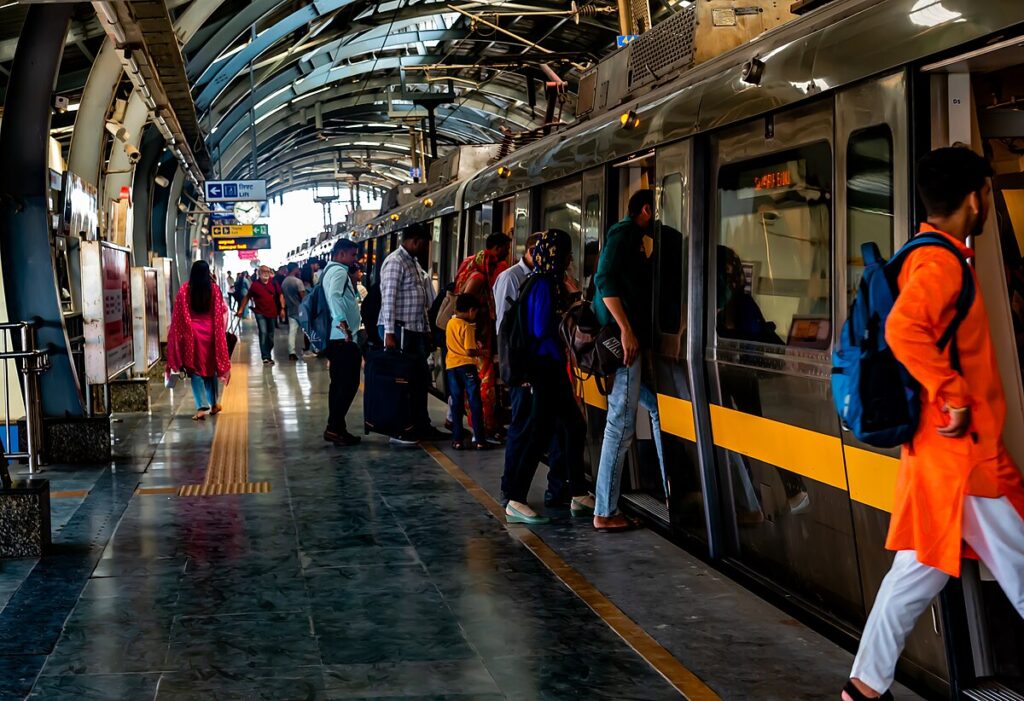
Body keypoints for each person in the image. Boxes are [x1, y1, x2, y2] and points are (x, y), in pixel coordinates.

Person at [842, 147, 1024, 701]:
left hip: (937, 461)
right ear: (976, 198)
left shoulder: (926, 254)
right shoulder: (941, 263)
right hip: (970, 462)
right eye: (989, 193)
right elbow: (904, 328)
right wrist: (954, 395)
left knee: (914, 573)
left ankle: (864, 688)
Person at [503, 229, 594, 524]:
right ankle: (516, 499)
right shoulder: (542, 284)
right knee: (539, 433)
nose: (570, 258)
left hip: (550, 367)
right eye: (566, 252)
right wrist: (567, 327)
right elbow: (541, 329)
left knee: (574, 426)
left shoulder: (545, 281)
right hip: (544, 367)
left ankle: (578, 493)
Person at [591, 188, 667, 532]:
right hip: (624, 345)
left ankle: (669, 488)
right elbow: (604, 279)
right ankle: (605, 511)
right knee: (620, 424)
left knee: (654, 406)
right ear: (647, 210)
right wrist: (626, 329)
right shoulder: (623, 234)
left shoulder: (634, 239)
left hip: (629, 341)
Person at [495, 231, 567, 507]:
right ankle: (511, 491)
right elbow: (508, 330)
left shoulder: (550, 279)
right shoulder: (514, 278)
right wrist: (517, 370)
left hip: (542, 367)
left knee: (561, 427)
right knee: (526, 429)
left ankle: (560, 489)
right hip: (529, 370)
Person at [378, 224, 446, 443]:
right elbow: (388, 299)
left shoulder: (413, 263)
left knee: (419, 379)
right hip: (399, 330)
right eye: (425, 243)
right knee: (402, 381)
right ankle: (400, 429)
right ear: (415, 240)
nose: (426, 248)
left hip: (414, 330)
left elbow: (420, 301)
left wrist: (426, 329)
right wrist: (389, 333)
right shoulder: (395, 262)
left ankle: (421, 424)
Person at [454, 232, 513, 442]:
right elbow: (465, 299)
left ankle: (480, 425)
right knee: (481, 383)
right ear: (496, 248)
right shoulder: (479, 275)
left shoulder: (471, 262)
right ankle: (483, 429)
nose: (507, 253)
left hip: (476, 334)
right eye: (506, 248)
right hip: (477, 337)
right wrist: (477, 325)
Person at [167, 260, 231, 421]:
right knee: (210, 369)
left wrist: (181, 336)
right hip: (210, 334)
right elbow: (220, 312)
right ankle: (214, 404)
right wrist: (219, 334)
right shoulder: (214, 289)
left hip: (192, 335)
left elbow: (179, 315)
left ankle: (202, 406)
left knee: (195, 369)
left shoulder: (184, 290)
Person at [322, 239, 363, 447]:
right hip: (343, 339)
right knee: (348, 385)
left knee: (338, 385)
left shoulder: (329, 270)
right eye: (352, 255)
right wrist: (344, 325)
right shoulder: (338, 271)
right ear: (341, 254)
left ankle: (337, 427)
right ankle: (334, 427)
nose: (355, 259)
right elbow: (335, 296)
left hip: (338, 339)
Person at [446, 294, 487, 451]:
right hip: (467, 367)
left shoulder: (450, 323)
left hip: (451, 366)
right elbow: (469, 351)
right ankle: (480, 440)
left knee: (456, 402)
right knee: (474, 402)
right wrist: (481, 352)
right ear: (471, 311)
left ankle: (457, 440)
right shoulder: (467, 326)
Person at [236, 265, 285, 365]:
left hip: (272, 313)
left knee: (271, 335)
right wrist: (240, 309)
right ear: (259, 273)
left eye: (268, 271)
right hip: (260, 313)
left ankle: (267, 352)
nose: (266, 273)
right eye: (263, 271)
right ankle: (265, 357)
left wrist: (282, 308)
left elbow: (280, 295)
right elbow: (247, 297)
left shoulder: (274, 282)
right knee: (263, 333)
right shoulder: (255, 285)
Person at [281, 262, 306, 361]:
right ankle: (310, 349)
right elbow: (303, 297)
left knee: (292, 332)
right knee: (307, 330)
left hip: (291, 310)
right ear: (294, 269)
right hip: (301, 310)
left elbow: (282, 295)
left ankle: (292, 352)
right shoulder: (298, 281)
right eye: (297, 268)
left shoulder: (284, 281)